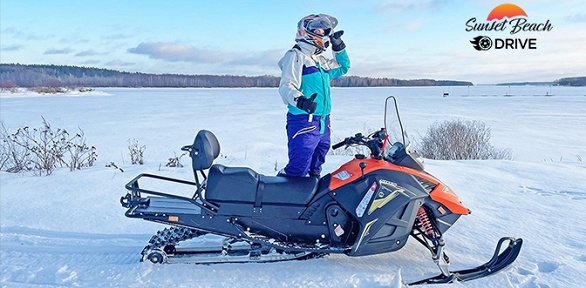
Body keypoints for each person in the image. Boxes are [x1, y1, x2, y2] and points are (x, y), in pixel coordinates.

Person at [278, 14, 350, 177]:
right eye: (317, 29)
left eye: (323, 30)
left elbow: (342, 67)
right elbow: (286, 86)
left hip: (323, 121)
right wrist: (300, 100)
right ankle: (281, 198)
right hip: (303, 121)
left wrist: (338, 47)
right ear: (305, 31)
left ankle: (312, 201)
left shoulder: (320, 60)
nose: (321, 33)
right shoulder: (296, 56)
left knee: (315, 167)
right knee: (298, 169)